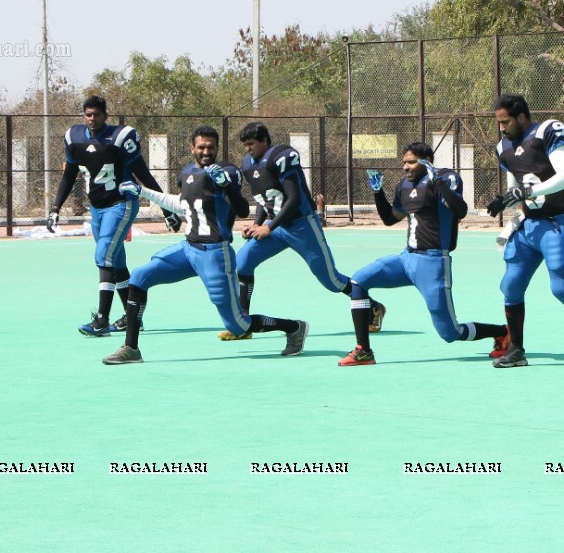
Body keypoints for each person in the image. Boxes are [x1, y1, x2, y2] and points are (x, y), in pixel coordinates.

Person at [102, 126, 307, 365]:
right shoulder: (187, 172)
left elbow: (241, 209)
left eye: (210, 147)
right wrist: (142, 191)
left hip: (214, 255)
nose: (206, 151)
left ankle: (293, 327)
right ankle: (131, 348)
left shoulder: (227, 171)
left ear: (217, 148)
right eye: (201, 147)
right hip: (188, 249)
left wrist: (225, 185)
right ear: (192, 148)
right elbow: (182, 204)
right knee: (139, 277)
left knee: (238, 325)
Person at [337, 143, 508, 366]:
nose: (405, 167)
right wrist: (378, 193)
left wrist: (436, 180)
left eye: (411, 162)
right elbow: (391, 219)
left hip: (433, 262)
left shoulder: (446, 178)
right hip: (406, 259)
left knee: (449, 333)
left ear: (427, 160)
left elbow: (460, 210)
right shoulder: (404, 185)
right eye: (404, 162)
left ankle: (503, 333)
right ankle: (364, 351)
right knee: (358, 281)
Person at [484, 93, 564, 368]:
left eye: (505, 121)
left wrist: (526, 191)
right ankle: (517, 350)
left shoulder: (547, 131)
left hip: (557, 221)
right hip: (529, 224)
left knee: (562, 289)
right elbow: (515, 187)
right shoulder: (503, 147)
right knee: (511, 284)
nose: (502, 128)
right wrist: (506, 198)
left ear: (521, 117)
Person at [223, 122, 384, 341]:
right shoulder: (249, 163)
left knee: (331, 280)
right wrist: (257, 223)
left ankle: (372, 306)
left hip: (301, 225)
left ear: (264, 141)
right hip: (277, 227)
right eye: (245, 145)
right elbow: (264, 197)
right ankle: (244, 324)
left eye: (251, 144)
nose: (247, 149)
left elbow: (294, 199)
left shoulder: (281, 157)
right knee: (243, 262)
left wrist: (268, 226)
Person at [47, 95, 177, 337]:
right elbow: (68, 176)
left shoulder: (120, 137)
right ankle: (132, 318)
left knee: (104, 255)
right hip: (96, 208)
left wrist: (165, 208)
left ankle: (101, 320)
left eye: (97, 114)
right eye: (88, 114)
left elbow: (143, 174)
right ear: (83, 116)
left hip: (121, 203)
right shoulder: (74, 138)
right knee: (116, 263)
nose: (92, 118)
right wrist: (55, 208)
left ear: (106, 115)